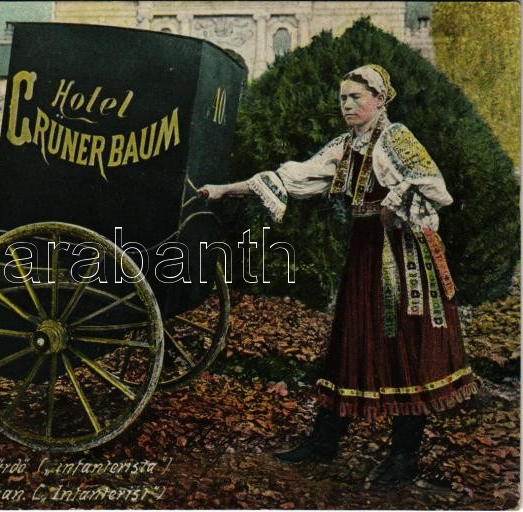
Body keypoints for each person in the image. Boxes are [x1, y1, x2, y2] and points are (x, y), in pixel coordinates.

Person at [200, 64, 475, 484]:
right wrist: (221, 190)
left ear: (379, 100)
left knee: (405, 344)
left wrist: (397, 195)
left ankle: (403, 457)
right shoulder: (345, 146)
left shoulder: (396, 137)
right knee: (351, 338)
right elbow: (293, 177)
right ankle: (325, 440)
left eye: (356, 98)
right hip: (365, 252)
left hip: (402, 258)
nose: (347, 105)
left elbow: (435, 186)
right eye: (343, 98)